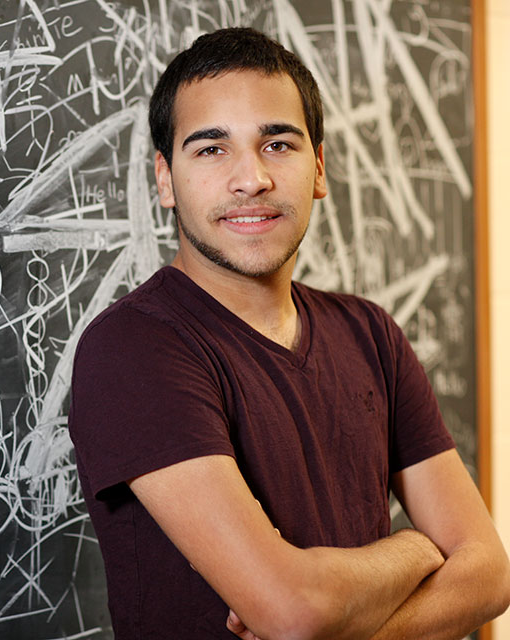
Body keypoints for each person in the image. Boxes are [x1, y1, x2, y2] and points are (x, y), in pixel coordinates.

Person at [68, 27, 510, 640]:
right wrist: (416, 549)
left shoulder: (371, 335)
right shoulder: (133, 349)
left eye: (277, 143)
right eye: (211, 150)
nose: (251, 179)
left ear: (319, 167)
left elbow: (488, 574)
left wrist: (329, 621)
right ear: (165, 181)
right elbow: (292, 609)